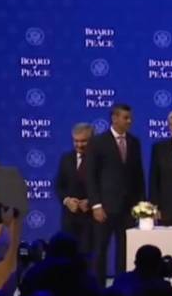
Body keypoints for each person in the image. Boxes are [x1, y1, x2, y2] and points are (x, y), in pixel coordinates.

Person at [86, 103, 146, 284]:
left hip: (128, 208)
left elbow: (138, 175)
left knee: (125, 250)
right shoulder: (98, 142)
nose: (130, 121)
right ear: (114, 118)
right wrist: (96, 205)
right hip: (105, 207)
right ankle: (98, 290)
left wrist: (141, 205)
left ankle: (121, 287)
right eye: (126, 118)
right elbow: (91, 176)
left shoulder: (134, 142)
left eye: (130, 118)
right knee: (100, 249)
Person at [55, 123, 93, 254]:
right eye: (76, 141)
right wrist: (67, 200)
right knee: (67, 255)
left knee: (88, 257)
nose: (79, 145)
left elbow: (105, 187)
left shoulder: (100, 160)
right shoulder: (66, 158)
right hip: (69, 218)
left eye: (83, 141)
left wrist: (91, 202)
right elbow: (59, 185)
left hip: (91, 219)